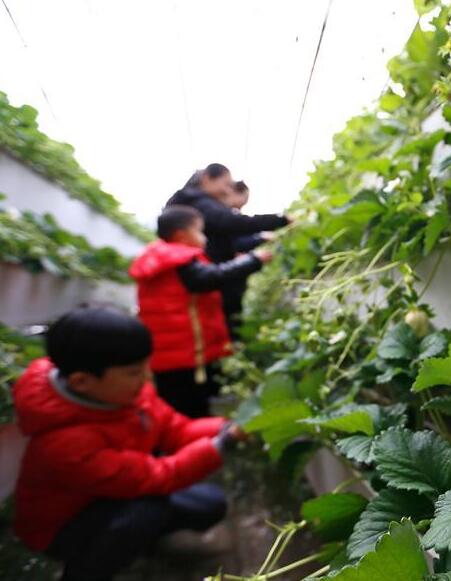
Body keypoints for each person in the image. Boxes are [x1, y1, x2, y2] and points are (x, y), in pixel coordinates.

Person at [12, 307, 246, 581]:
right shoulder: (66, 442)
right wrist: (221, 444)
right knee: (147, 511)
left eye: (146, 366)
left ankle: (132, 540)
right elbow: (157, 476)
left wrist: (223, 427)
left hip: (117, 494)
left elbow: (175, 429)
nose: (147, 376)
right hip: (62, 528)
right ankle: (84, 571)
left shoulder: (125, 395)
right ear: (82, 381)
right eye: (135, 372)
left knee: (208, 504)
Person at [129, 205, 272, 417]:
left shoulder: (161, 257)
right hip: (183, 353)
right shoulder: (178, 259)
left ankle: (179, 432)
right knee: (189, 406)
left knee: (174, 402)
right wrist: (253, 261)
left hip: (168, 352)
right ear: (181, 235)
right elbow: (213, 277)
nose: (204, 238)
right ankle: (192, 434)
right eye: (199, 231)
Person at [166, 164, 290, 335]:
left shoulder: (193, 202)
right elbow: (230, 225)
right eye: (226, 185)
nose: (227, 190)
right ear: (207, 178)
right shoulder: (198, 203)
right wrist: (278, 222)